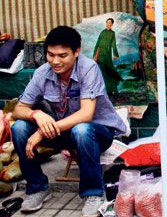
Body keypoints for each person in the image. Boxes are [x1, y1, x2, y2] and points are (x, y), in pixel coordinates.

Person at [11, 26, 127, 215]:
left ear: (77, 52)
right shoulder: (42, 72)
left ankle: (94, 193)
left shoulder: (88, 68)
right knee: (19, 128)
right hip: (63, 131)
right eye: (50, 55)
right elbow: (18, 109)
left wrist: (41, 132)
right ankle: (38, 188)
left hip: (97, 133)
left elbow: (86, 114)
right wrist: (36, 115)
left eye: (62, 56)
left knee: (81, 129)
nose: (55, 61)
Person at [93, 18, 121, 94]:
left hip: (107, 55)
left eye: (110, 23)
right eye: (107, 22)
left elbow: (113, 44)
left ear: (112, 24)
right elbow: (97, 44)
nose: (108, 24)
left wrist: (115, 54)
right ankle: (106, 90)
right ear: (106, 23)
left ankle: (113, 88)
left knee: (110, 70)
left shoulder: (112, 33)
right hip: (100, 56)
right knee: (103, 72)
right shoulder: (102, 32)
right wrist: (95, 55)